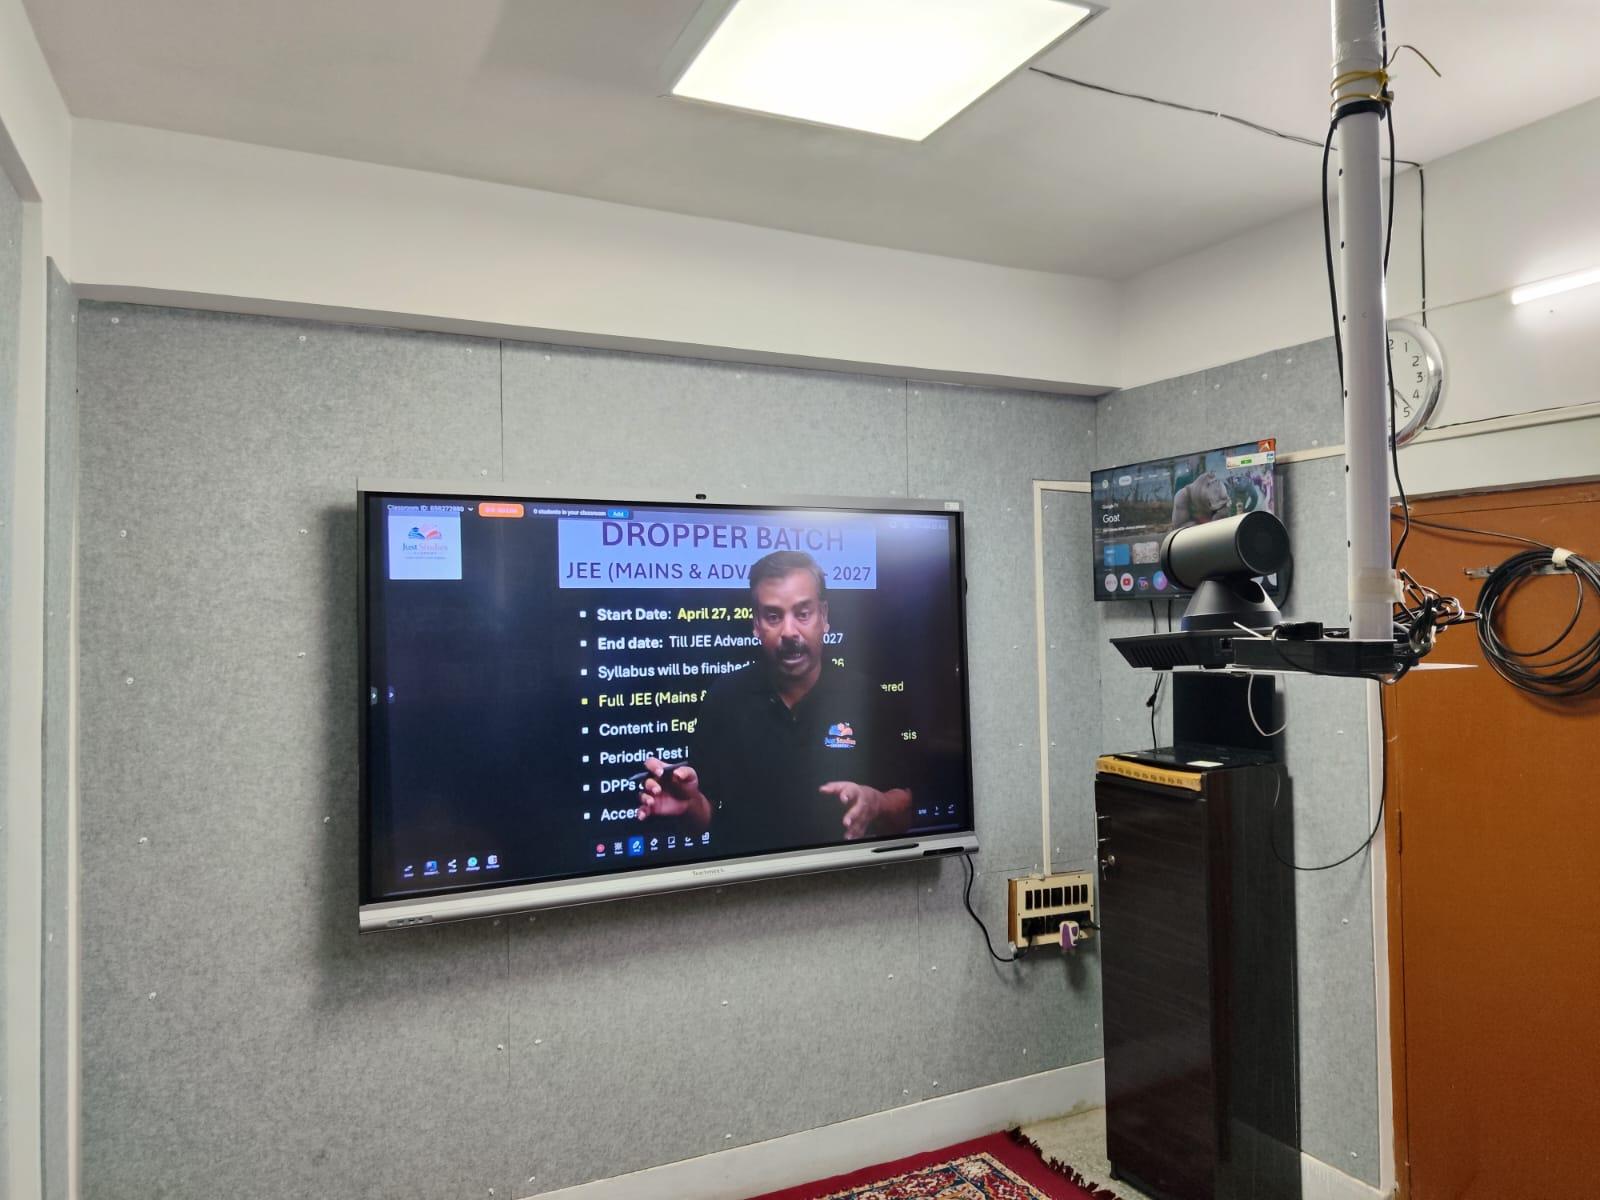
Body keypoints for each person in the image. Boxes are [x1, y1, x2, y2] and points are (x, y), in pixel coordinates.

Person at [634, 550, 915, 849]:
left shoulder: (867, 698)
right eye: (773, 616)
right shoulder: (724, 700)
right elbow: (703, 817)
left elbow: (908, 812)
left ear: (824, 616)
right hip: (747, 887)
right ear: (756, 624)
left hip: (849, 883)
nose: (789, 632)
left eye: (803, 613)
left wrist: (878, 803)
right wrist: (688, 805)